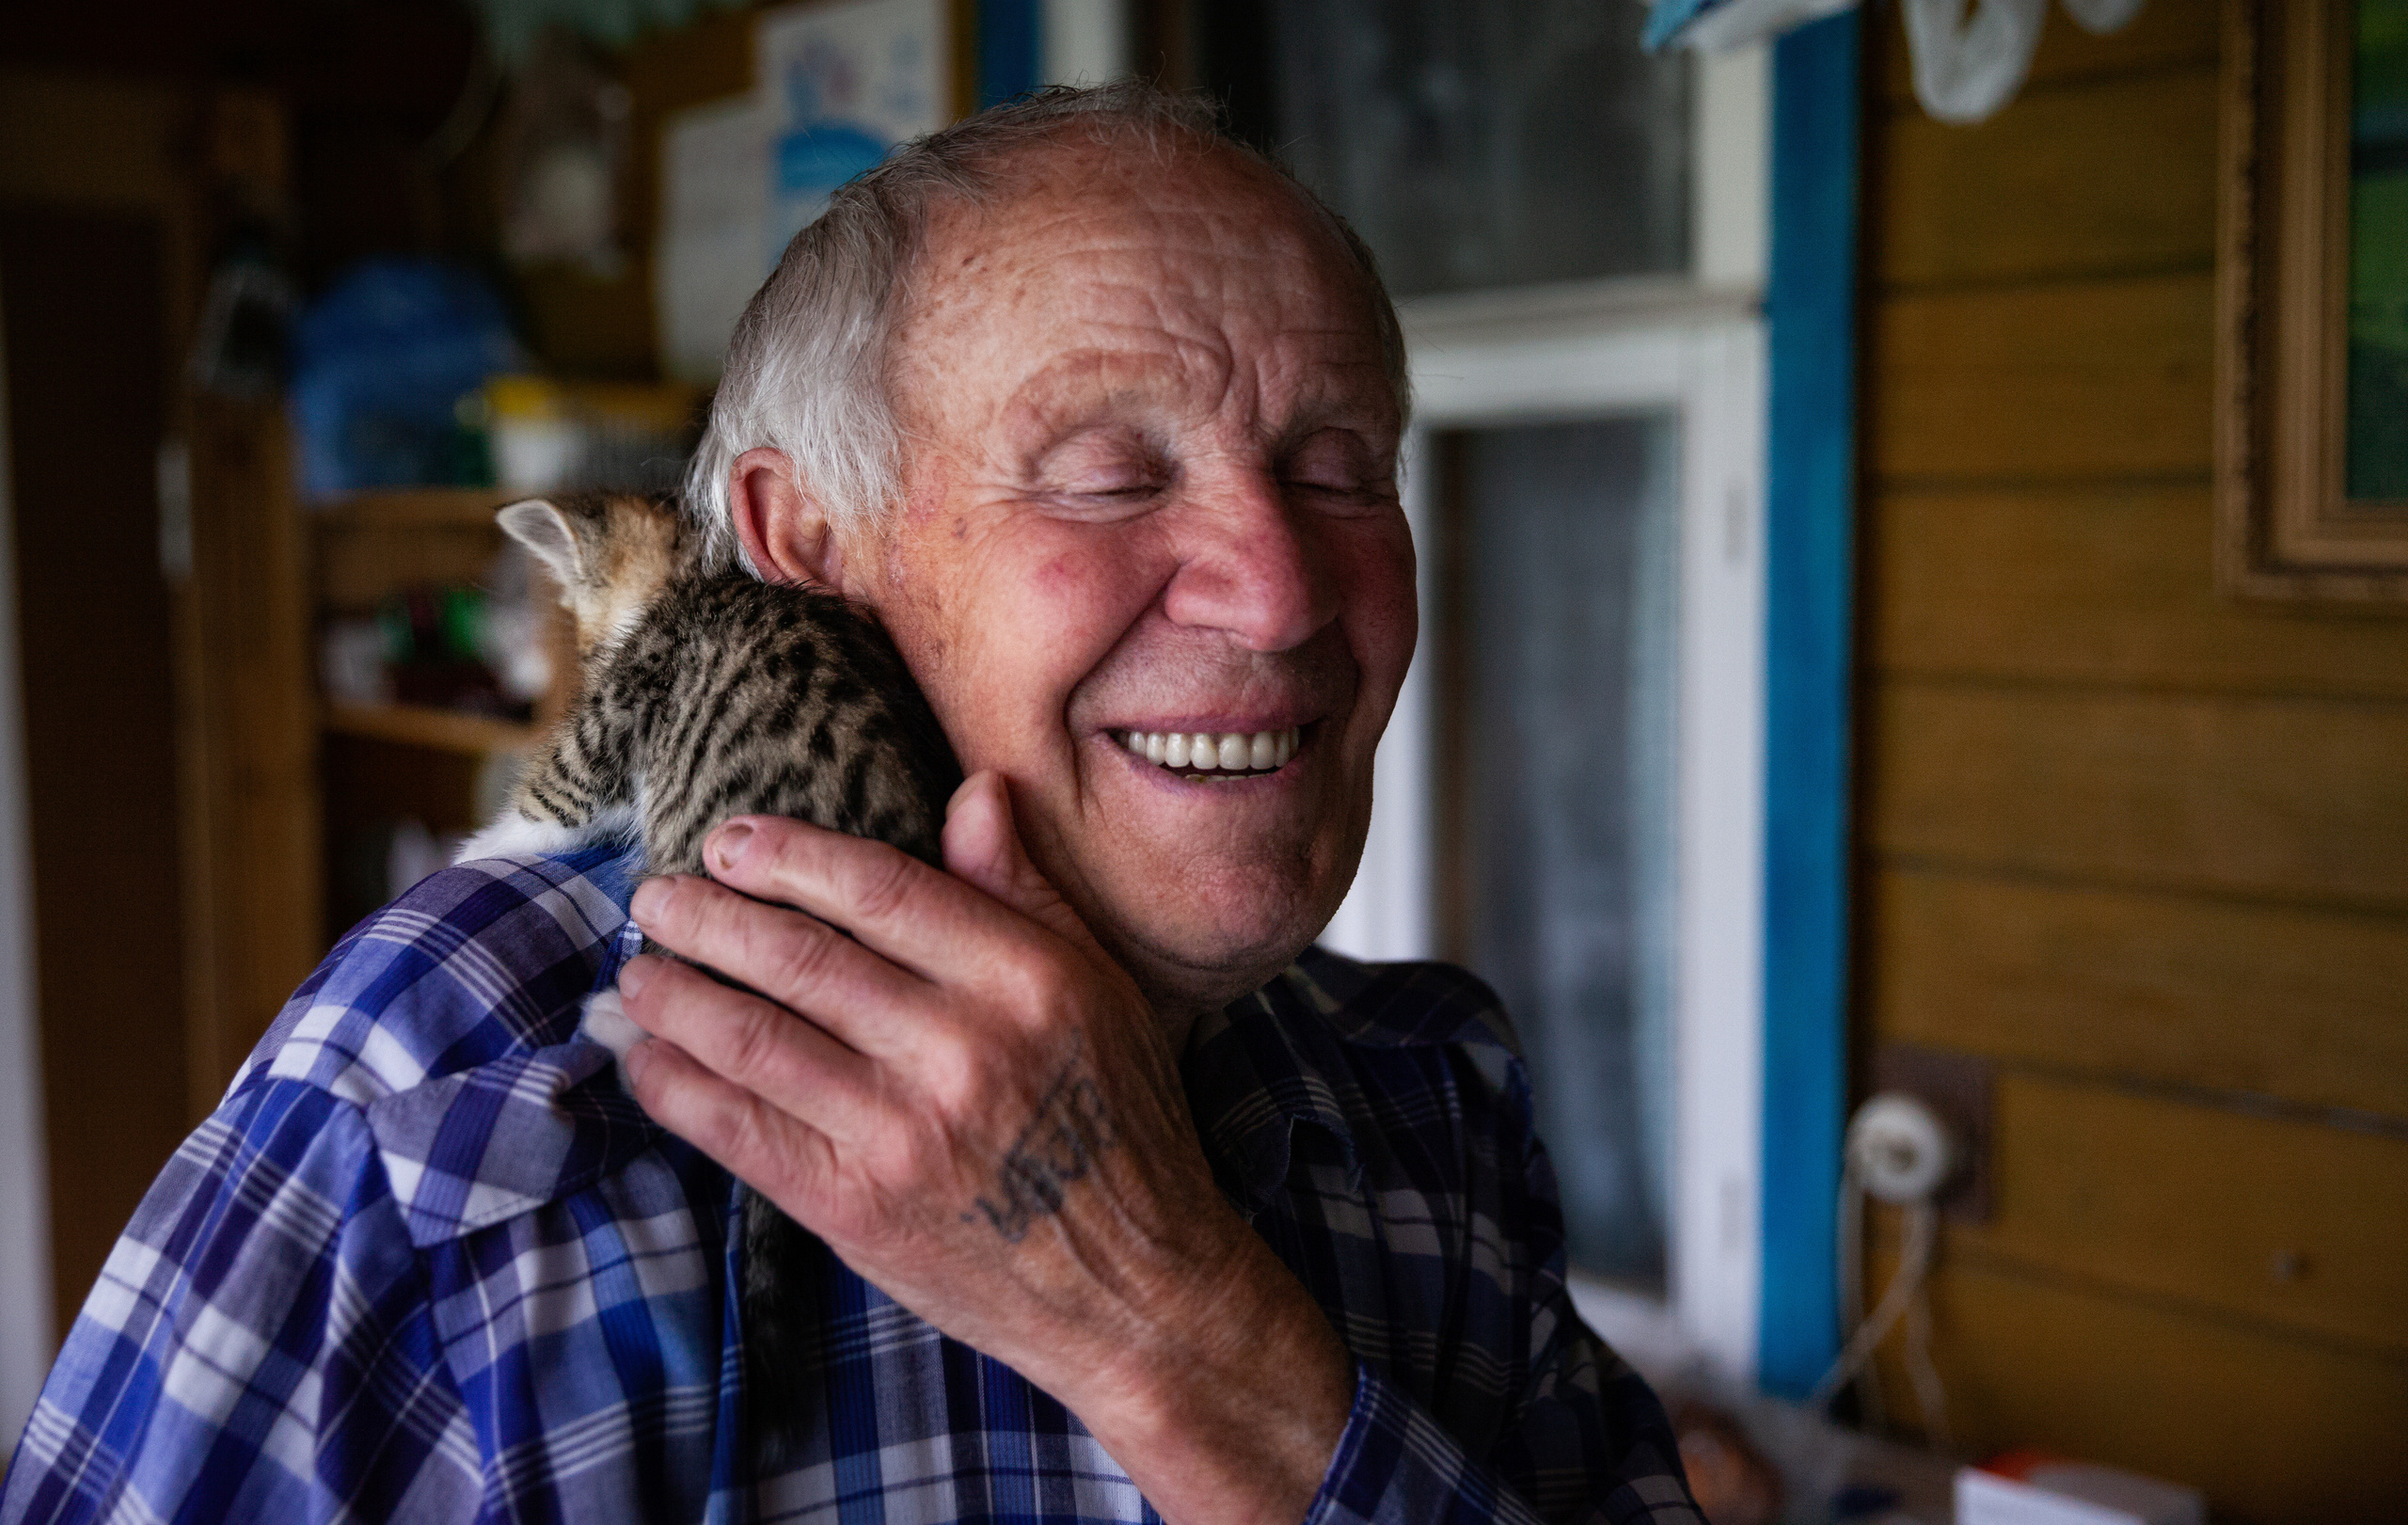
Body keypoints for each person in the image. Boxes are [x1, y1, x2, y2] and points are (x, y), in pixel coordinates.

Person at [0, 84, 1702, 1525]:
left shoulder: (1428, 1098)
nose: (1278, 594)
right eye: (1108, 474)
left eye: (1340, 470)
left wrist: (1173, 1329)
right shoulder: (473, 1090)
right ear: (804, 548)